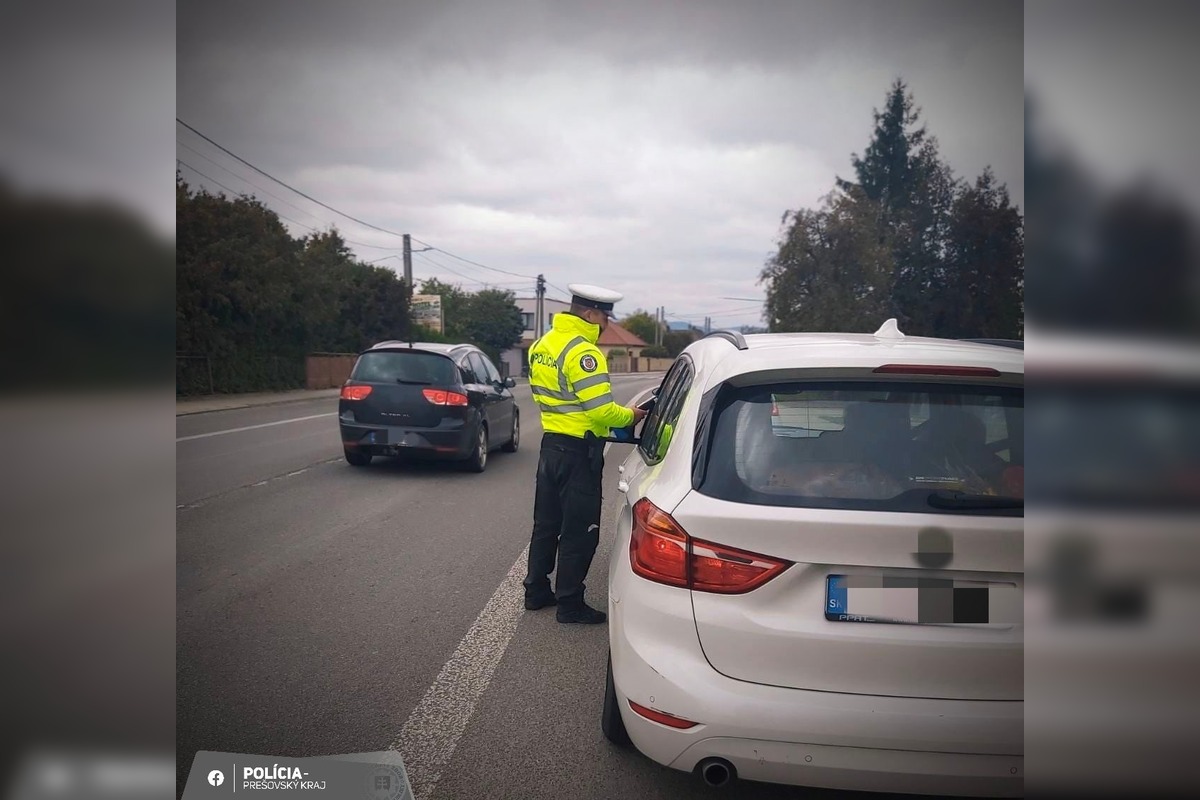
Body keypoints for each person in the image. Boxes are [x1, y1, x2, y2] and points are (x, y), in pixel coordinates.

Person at [523, 283, 648, 624]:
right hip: (578, 452)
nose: (606, 322)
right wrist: (633, 416)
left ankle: (535, 592)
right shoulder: (584, 353)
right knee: (580, 530)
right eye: (605, 315)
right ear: (590, 314)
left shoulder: (542, 344)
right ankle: (569, 605)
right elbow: (601, 413)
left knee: (546, 525)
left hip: (550, 446)